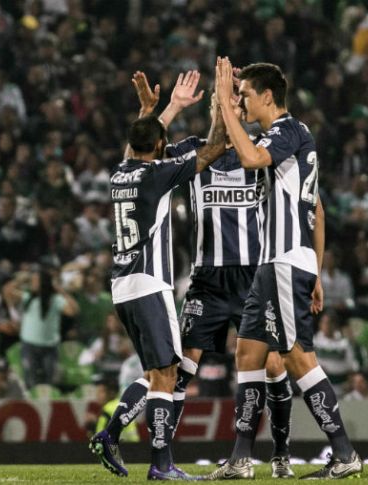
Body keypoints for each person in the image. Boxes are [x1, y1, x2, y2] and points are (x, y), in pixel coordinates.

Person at [122, 69, 297, 478]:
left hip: (253, 276)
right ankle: (164, 459)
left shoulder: (260, 152)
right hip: (207, 279)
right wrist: (152, 112)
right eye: (223, 101)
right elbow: (136, 164)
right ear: (215, 107)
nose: (229, 106)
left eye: (236, 101)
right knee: (182, 366)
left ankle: (281, 454)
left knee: (273, 366)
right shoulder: (192, 150)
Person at [205, 58, 362, 480]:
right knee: (248, 352)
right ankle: (240, 459)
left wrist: (223, 100)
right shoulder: (287, 138)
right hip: (278, 265)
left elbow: (251, 158)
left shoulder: (287, 130)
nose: (242, 101)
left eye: (246, 95)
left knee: (296, 355)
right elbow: (319, 211)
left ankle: (344, 452)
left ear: (268, 96)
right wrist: (317, 271)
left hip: (285, 261)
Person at [90, 69, 227, 481]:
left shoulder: (121, 173)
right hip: (151, 284)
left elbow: (142, 143)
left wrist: (159, 111)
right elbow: (212, 151)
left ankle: (110, 434)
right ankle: (161, 464)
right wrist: (222, 106)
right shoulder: (157, 175)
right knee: (168, 374)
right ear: (161, 147)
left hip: (122, 287)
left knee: (154, 373)